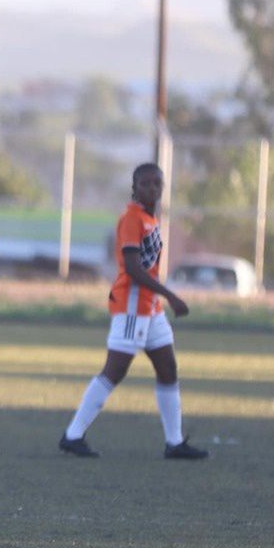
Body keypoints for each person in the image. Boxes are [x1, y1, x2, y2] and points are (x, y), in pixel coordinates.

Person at [59, 162, 208, 460]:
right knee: (114, 370)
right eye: (146, 184)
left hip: (150, 309)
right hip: (132, 307)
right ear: (135, 187)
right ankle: (72, 435)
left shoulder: (150, 219)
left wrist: (160, 299)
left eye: (158, 184)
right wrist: (171, 296)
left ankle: (174, 442)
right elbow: (132, 267)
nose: (153, 189)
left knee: (168, 368)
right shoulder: (132, 219)